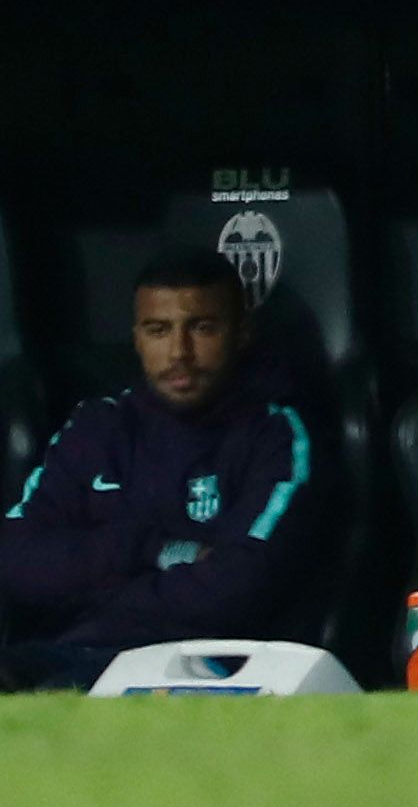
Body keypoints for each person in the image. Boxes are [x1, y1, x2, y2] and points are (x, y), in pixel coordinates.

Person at [0, 248, 322, 694]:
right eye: (159, 330)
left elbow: (238, 589)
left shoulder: (275, 435)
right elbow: (14, 560)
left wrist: (97, 591)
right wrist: (147, 550)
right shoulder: (97, 426)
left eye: (202, 328)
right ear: (136, 338)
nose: (179, 352)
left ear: (241, 333)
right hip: (67, 654)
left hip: (202, 669)